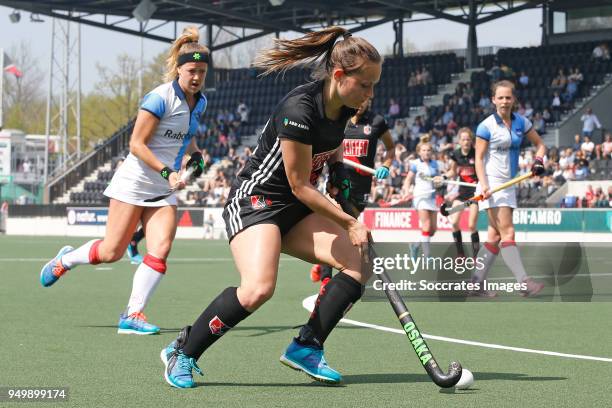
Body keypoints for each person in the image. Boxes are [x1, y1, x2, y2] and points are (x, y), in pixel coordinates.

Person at [161, 26, 381, 389]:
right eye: (365, 85)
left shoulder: (344, 106)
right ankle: (183, 352)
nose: (370, 94)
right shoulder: (300, 109)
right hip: (257, 202)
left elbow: (333, 153)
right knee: (258, 289)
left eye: (374, 85)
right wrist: (348, 221)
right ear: (339, 76)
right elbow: (298, 184)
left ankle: (307, 346)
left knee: (359, 263)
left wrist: (342, 183)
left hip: (296, 207)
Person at [39, 27, 210, 335]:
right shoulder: (159, 98)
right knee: (111, 252)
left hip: (162, 190)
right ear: (179, 69)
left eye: (201, 71)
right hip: (134, 182)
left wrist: (195, 157)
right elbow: (136, 144)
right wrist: (167, 171)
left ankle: (132, 314)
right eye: (191, 71)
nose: (196, 77)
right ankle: (66, 259)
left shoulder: (200, 102)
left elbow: (187, 138)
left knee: (160, 249)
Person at [471, 80, 546, 297]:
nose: (504, 101)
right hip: (492, 184)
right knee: (508, 232)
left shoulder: (522, 122)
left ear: (514, 100)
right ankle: (524, 282)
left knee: (494, 236)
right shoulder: (486, 126)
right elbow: (478, 159)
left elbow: (540, 144)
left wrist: (539, 160)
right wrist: (484, 185)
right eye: (500, 97)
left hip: (508, 184)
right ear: (493, 100)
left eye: (508, 97)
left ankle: (475, 283)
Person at [310, 97, 394, 286]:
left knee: (348, 227)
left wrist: (386, 165)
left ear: (369, 100)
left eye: (364, 100)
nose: (360, 102)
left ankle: (323, 263)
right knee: (336, 224)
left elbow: (390, 148)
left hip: (361, 186)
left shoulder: (377, 122)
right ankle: (326, 278)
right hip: (338, 182)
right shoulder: (340, 120)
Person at [402, 135, 439, 259]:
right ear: (419, 152)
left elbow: (438, 181)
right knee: (426, 225)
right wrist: (407, 191)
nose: (426, 152)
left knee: (432, 230)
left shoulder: (435, 164)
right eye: (423, 150)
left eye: (428, 150)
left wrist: (440, 180)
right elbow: (408, 180)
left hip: (432, 197)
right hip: (420, 197)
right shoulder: (415, 164)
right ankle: (427, 256)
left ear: (431, 152)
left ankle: (415, 245)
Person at [445, 128, 480, 260]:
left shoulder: (476, 154)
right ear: (459, 141)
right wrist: (442, 177)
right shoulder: (456, 154)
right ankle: (460, 253)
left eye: (468, 139)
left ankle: (476, 255)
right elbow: (452, 172)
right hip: (461, 194)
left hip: (475, 195)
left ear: (471, 141)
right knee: (454, 223)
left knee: (471, 225)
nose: (466, 142)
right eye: (463, 139)